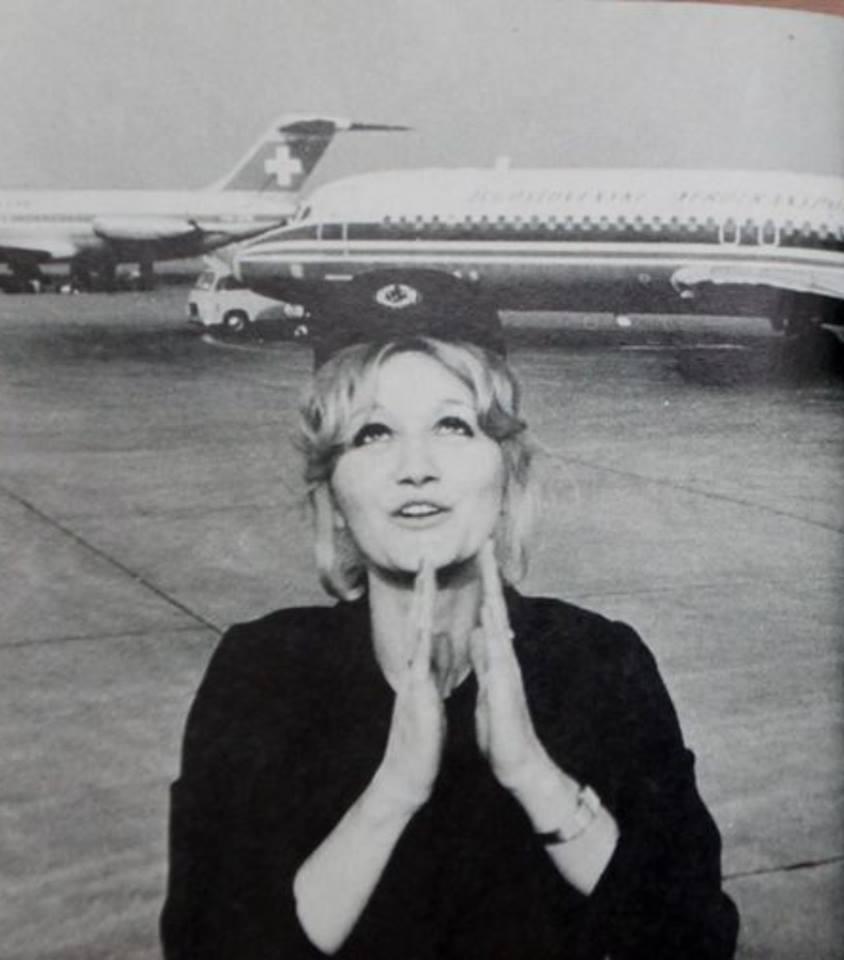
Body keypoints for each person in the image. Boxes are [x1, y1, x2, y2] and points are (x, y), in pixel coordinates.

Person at [161, 333, 739, 959]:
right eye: (373, 433)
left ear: (508, 475)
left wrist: (535, 776)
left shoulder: (600, 663)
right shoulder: (263, 670)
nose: (416, 468)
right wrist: (392, 794)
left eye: (453, 426)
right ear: (332, 498)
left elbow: (695, 941)